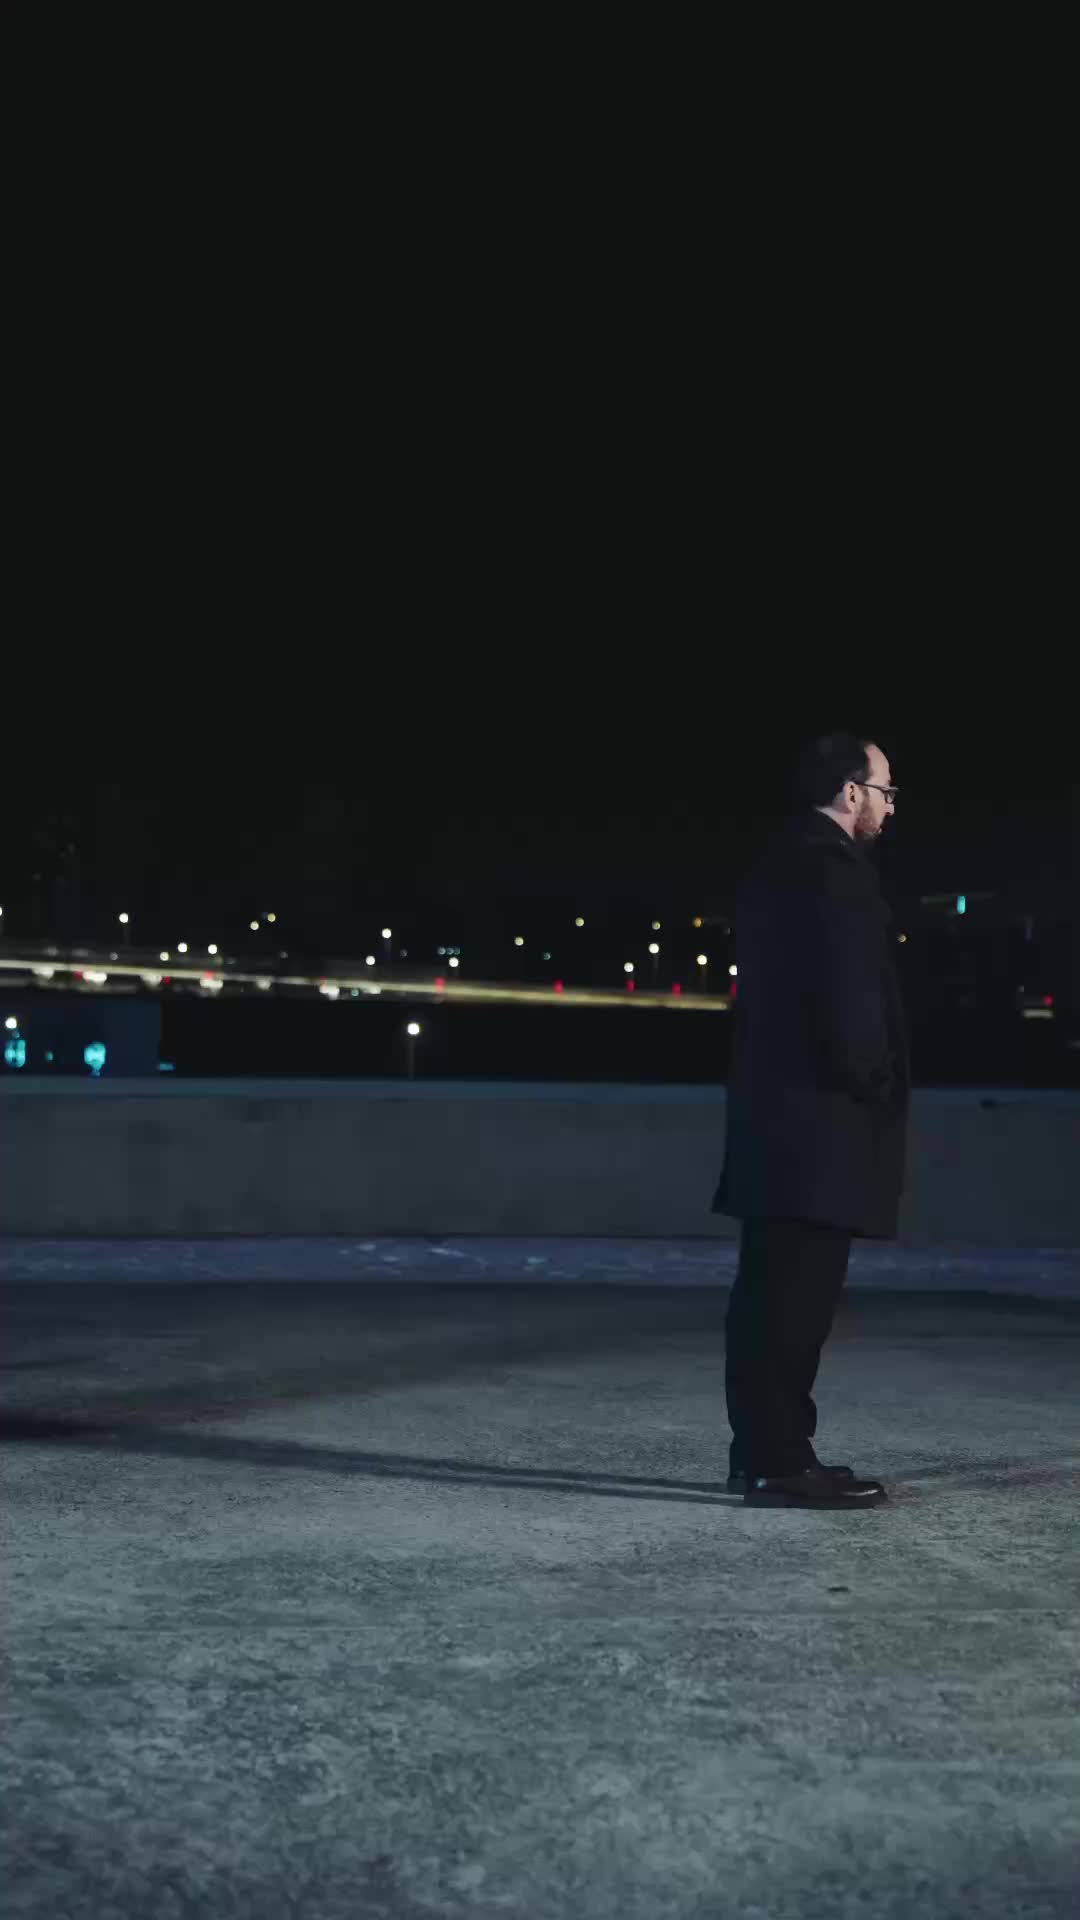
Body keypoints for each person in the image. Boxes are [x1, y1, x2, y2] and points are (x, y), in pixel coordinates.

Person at [713, 733, 909, 1510]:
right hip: (818, 1125)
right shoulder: (831, 870)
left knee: (772, 1293)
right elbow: (847, 997)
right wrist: (873, 1080)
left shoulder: (781, 863)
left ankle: (763, 1453)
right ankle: (779, 1460)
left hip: (782, 1122)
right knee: (793, 1302)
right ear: (850, 791)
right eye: (886, 791)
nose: (890, 807)